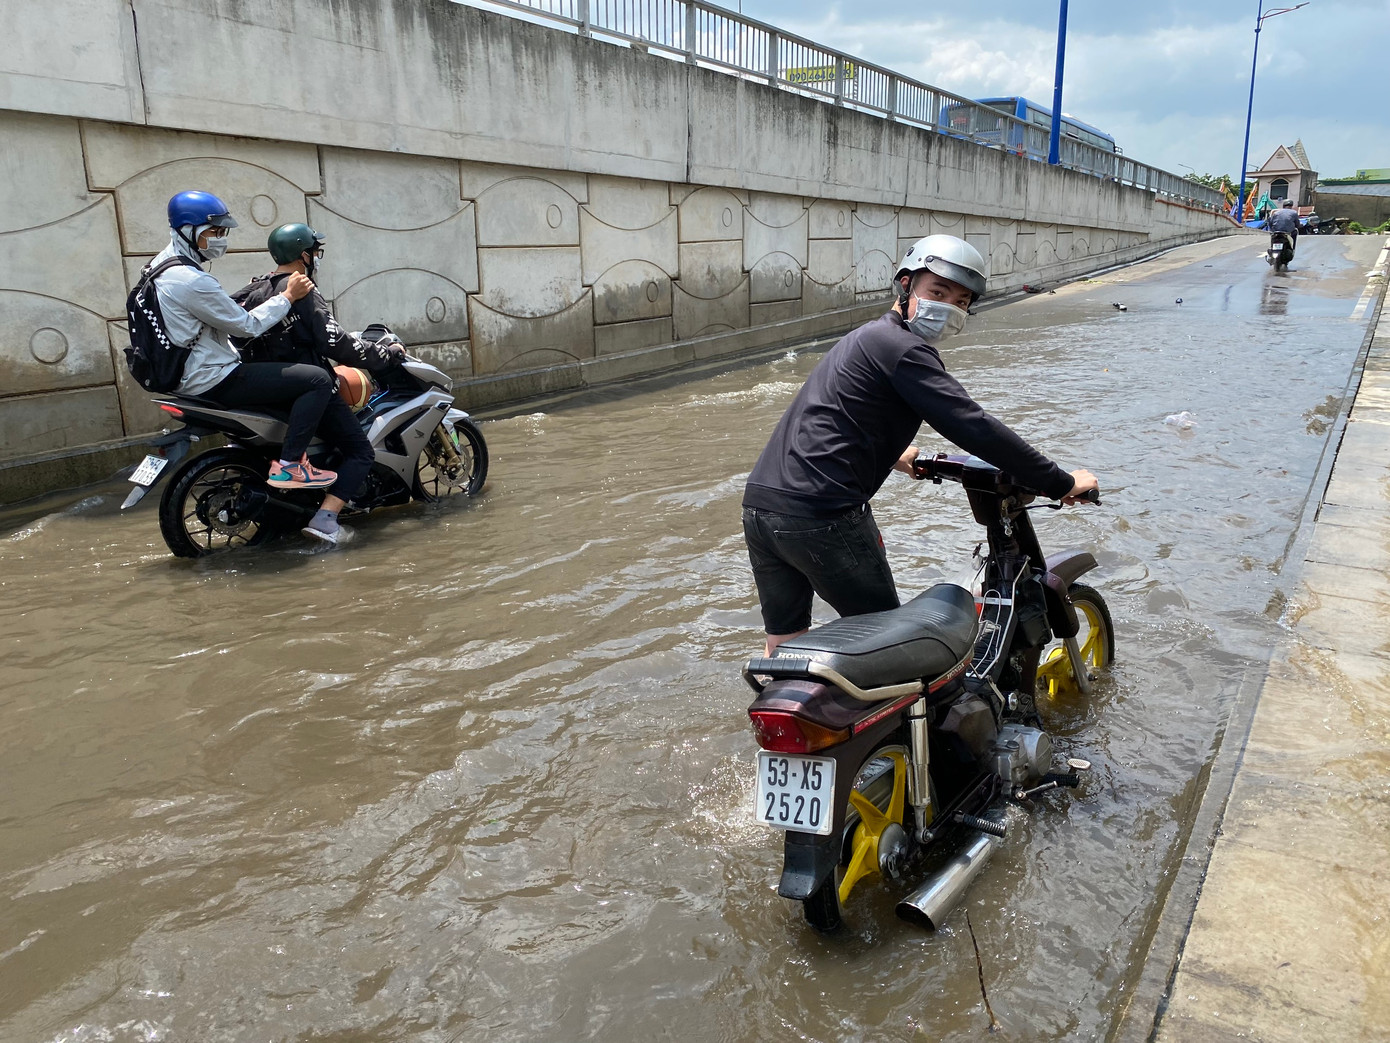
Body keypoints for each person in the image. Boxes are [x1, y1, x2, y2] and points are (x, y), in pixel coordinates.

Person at [742, 234, 1099, 656]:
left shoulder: (867, 338)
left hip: (763, 509)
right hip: (823, 515)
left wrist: (896, 455)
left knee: (785, 640)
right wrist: (1059, 481)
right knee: (891, 646)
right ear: (906, 285)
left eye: (962, 301)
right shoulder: (904, 349)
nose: (949, 307)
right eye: (938, 292)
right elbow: (972, 425)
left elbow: (831, 414)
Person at [151, 191, 339, 491]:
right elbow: (246, 327)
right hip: (213, 378)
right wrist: (288, 297)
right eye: (215, 231)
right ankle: (291, 466)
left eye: (223, 232)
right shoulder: (192, 280)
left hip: (181, 376)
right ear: (189, 230)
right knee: (316, 380)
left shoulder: (157, 268)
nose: (220, 239)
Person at [232, 223, 406, 544]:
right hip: (307, 389)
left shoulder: (255, 289)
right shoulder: (301, 288)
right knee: (360, 452)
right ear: (303, 255)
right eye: (315, 251)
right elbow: (335, 343)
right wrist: (384, 355)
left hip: (262, 391)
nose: (316, 257)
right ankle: (326, 519)